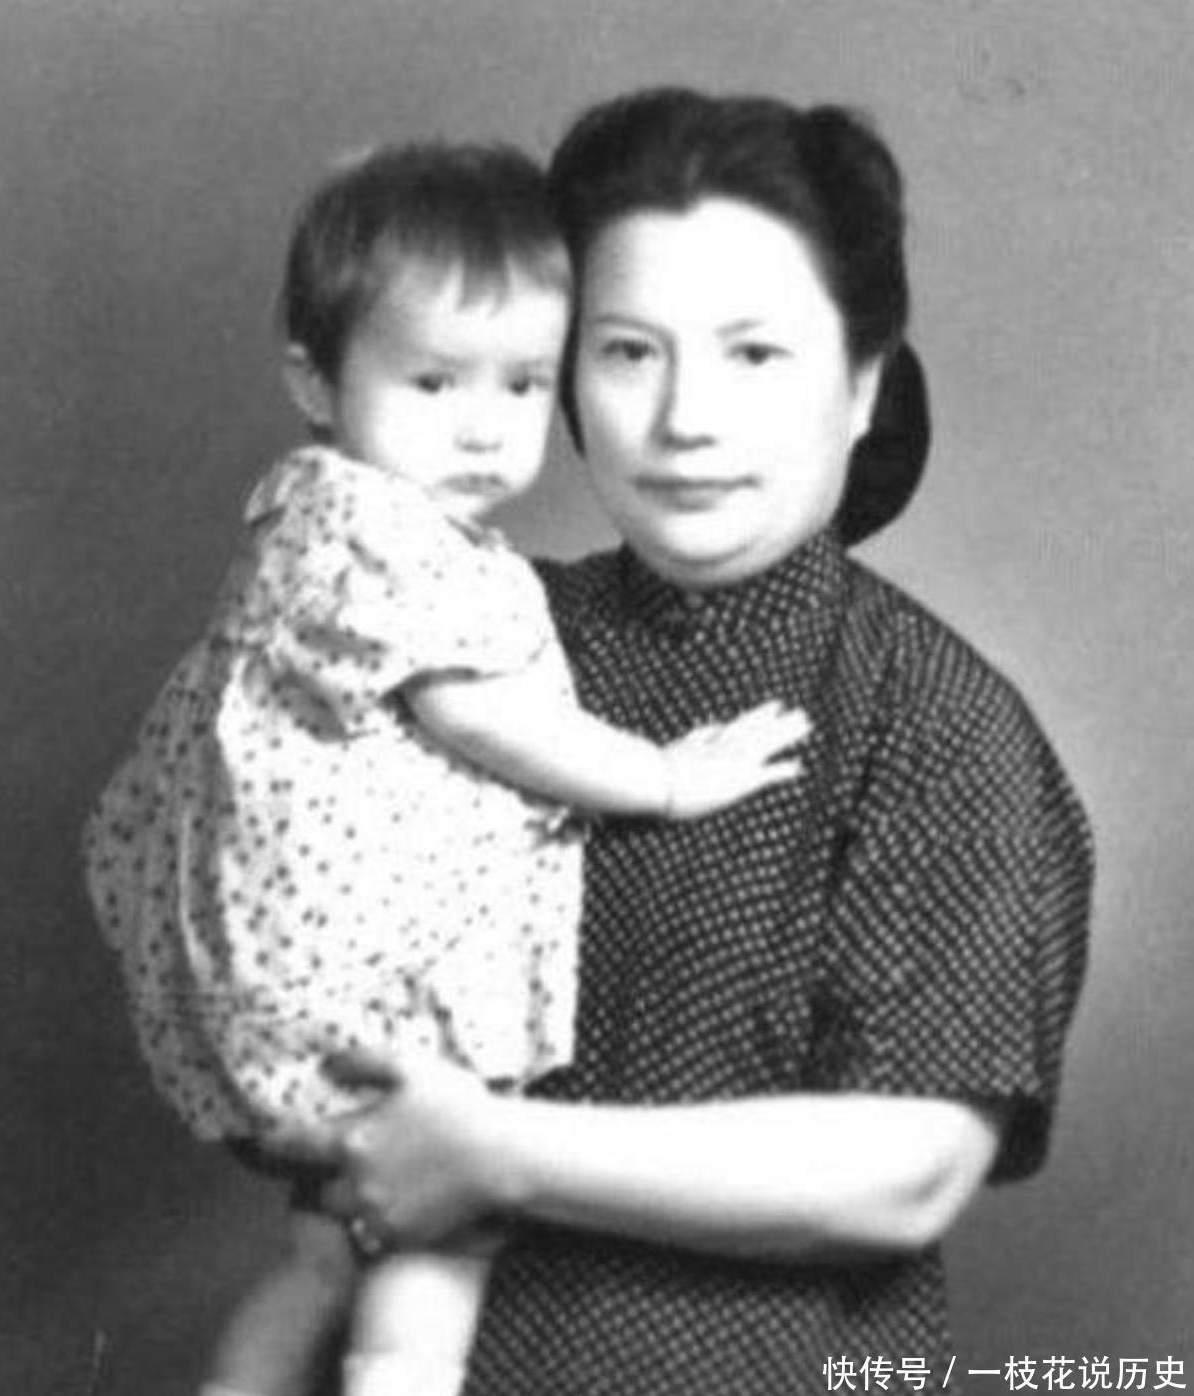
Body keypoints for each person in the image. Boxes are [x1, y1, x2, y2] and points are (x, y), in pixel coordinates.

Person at [276, 88, 1095, 1396]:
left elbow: (909, 1169)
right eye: (628, 352)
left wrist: (493, 1152)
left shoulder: (939, 723)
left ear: (862, 385)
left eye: (753, 354)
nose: (683, 420)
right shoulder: (469, 636)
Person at [81, 140, 812, 1396]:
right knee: (444, 1238)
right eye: (432, 381)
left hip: (284, 1001)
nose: (483, 426)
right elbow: (484, 718)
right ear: (315, 382)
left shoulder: (308, 511)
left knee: (322, 1254)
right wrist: (661, 776)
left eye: (523, 383)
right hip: (364, 1004)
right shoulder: (380, 535)